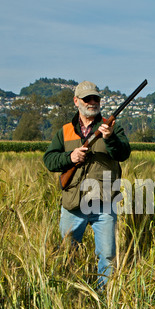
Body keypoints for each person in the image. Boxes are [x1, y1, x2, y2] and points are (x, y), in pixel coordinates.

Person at [43, 80, 131, 289]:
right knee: (67, 253)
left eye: (96, 98)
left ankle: (104, 298)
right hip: (73, 203)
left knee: (108, 256)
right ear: (76, 101)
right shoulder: (64, 132)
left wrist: (109, 139)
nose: (92, 102)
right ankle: (68, 293)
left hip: (104, 203)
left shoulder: (113, 128)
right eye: (87, 99)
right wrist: (70, 157)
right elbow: (49, 160)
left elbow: (123, 153)